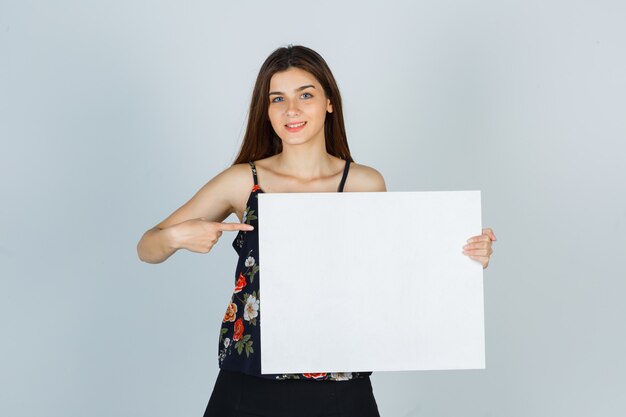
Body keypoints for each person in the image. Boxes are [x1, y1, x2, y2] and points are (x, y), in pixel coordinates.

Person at [136, 44, 496, 417]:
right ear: (267, 110)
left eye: (305, 95)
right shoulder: (243, 181)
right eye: (278, 98)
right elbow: (147, 246)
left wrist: (464, 258)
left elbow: (392, 279)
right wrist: (178, 237)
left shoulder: (364, 184)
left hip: (341, 389)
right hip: (249, 386)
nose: (291, 109)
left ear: (329, 103)